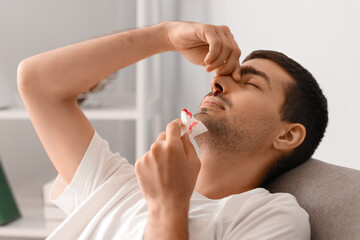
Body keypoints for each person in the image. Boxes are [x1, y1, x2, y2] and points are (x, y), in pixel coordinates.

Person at [17, 21, 327, 239]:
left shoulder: (271, 217)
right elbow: (37, 82)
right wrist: (165, 36)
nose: (217, 83)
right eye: (223, 77)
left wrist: (169, 204)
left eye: (249, 83)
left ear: (287, 135)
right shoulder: (119, 185)